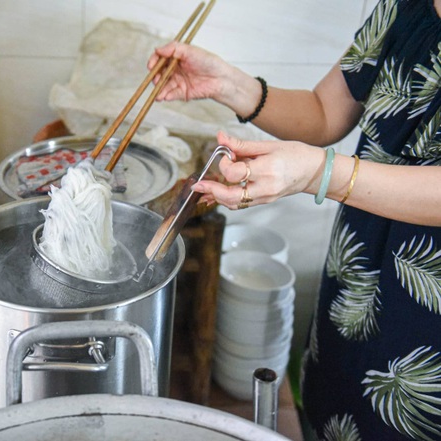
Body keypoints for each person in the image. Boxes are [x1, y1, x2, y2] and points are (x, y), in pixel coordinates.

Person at [148, 0, 441, 439]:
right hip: (356, 284)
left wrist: (319, 172)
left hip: (426, 329)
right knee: (331, 406)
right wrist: (231, 85)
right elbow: (326, 112)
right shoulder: (408, 6)